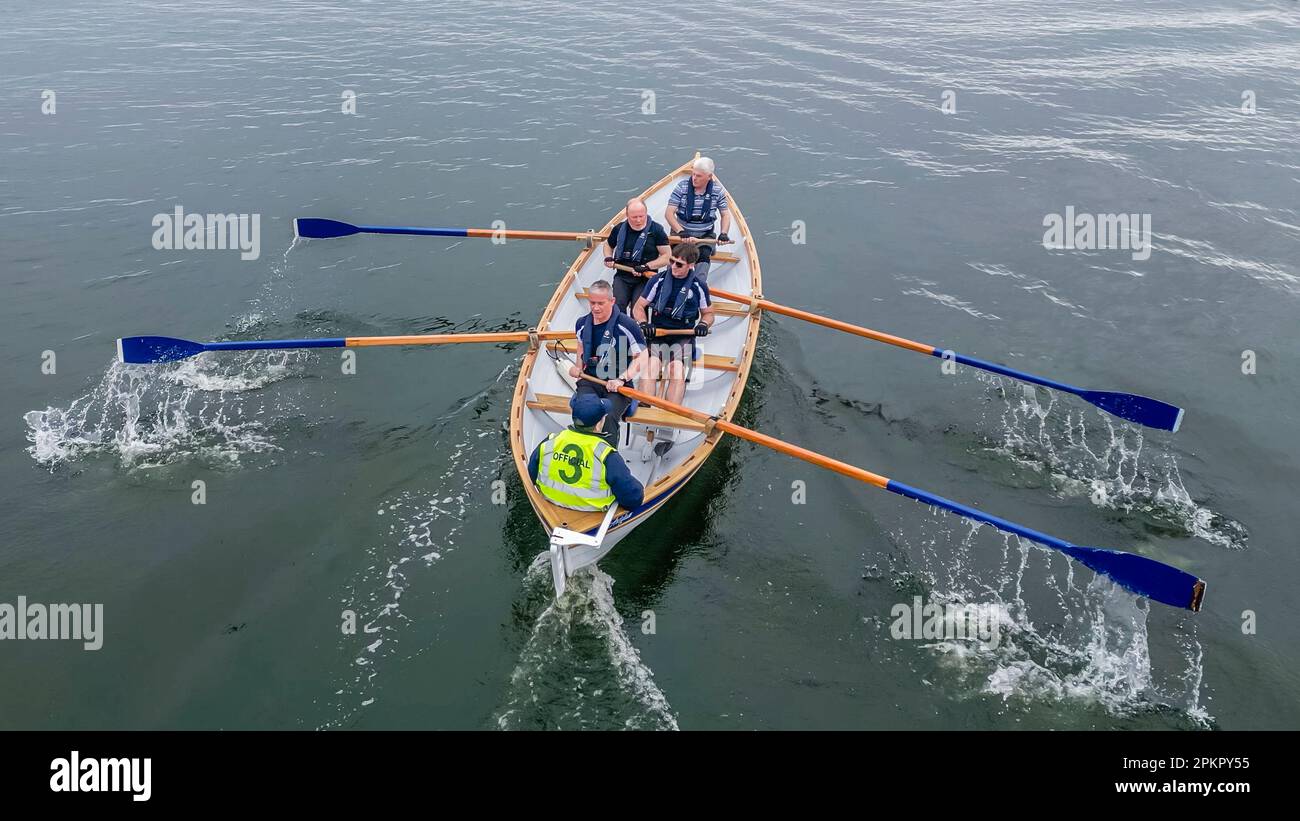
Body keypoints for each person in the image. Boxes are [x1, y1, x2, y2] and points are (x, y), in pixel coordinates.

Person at [631, 243, 714, 457]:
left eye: (679, 264)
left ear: (691, 266)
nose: (673, 267)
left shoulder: (698, 287)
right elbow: (638, 308)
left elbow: (708, 314)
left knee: (677, 373)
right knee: (650, 368)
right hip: (657, 334)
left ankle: (668, 421)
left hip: (684, 336)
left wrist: (704, 325)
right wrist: (642, 324)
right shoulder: (657, 281)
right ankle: (647, 414)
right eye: (671, 262)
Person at [528, 393, 644, 512]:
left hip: (550, 502)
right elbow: (634, 498)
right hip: (590, 511)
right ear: (599, 424)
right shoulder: (606, 454)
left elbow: (531, 472)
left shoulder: (551, 441)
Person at [571, 279, 649, 447]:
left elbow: (643, 356)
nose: (595, 308)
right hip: (591, 380)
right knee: (582, 414)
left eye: (600, 303)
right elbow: (580, 348)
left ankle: (607, 457)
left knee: (608, 417)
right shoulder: (581, 324)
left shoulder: (627, 325)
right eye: (592, 303)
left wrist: (621, 378)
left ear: (612, 301)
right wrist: (578, 370)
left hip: (620, 385)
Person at [664, 156, 731, 282]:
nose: (694, 178)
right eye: (693, 174)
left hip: (704, 237)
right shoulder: (682, 187)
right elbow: (669, 213)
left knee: (703, 262)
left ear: (709, 177)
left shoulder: (717, 191)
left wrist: (724, 233)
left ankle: (697, 286)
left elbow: (725, 215)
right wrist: (680, 232)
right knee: (675, 265)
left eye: (699, 176)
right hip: (681, 235)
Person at [604, 198, 671, 312]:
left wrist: (646, 266)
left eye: (641, 216)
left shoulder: (656, 230)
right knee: (617, 307)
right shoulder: (619, 229)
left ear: (646, 213)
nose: (638, 220)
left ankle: (639, 328)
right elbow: (608, 245)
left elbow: (667, 257)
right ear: (627, 215)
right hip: (623, 275)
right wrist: (608, 257)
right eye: (634, 217)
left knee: (637, 309)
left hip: (645, 277)